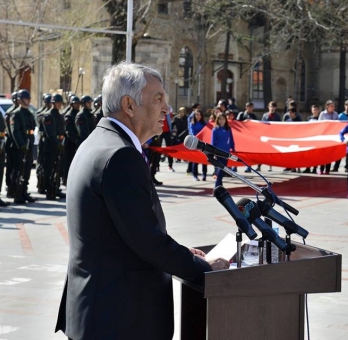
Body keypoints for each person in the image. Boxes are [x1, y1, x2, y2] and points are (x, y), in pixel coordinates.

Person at [55, 62, 229, 340]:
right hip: (118, 320)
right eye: (158, 99)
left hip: (100, 312)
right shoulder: (120, 156)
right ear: (129, 105)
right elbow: (147, 241)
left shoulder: (98, 143)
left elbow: (124, 232)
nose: (167, 109)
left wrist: (182, 251)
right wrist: (206, 268)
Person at [10, 90, 37, 204]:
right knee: (19, 170)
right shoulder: (16, 114)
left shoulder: (29, 113)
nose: (28, 101)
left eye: (29, 99)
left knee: (26, 170)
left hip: (29, 144)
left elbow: (33, 126)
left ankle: (24, 191)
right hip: (20, 147)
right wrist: (21, 145)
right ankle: (17, 193)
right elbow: (15, 132)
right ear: (21, 100)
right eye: (26, 99)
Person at [211, 114, 235, 188]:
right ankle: (217, 186)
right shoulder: (215, 130)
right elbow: (213, 142)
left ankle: (219, 186)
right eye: (220, 119)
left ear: (225, 120)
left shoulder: (228, 129)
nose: (221, 121)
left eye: (223, 119)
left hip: (226, 152)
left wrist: (233, 148)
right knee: (221, 169)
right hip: (218, 152)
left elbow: (231, 139)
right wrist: (213, 152)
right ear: (217, 120)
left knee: (223, 169)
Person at [318, 100, 338, 174]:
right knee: (322, 154)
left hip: (331, 136)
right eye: (331, 106)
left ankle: (327, 169)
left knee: (329, 153)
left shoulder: (335, 114)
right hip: (324, 136)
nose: (333, 108)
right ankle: (321, 169)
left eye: (334, 106)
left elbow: (337, 124)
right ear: (327, 106)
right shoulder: (322, 114)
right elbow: (318, 124)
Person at [189, 109, 208, 181]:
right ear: (194, 115)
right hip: (196, 143)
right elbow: (192, 133)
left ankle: (204, 174)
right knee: (195, 160)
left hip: (204, 143)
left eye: (199, 115)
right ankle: (195, 175)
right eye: (197, 114)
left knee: (204, 159)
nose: (198, 116)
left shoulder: (204, 123)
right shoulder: (192, 123)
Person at [304, 105, 321, 174]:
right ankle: (308, 167)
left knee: (315, 155)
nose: (315, 111)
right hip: (310, 138)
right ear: (311, 110)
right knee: (308, 154)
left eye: (316, 110)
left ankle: (314, 168)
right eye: (313, 110)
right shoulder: (309, 118)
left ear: (318, 110)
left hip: (317, 139)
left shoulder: (320, 119)